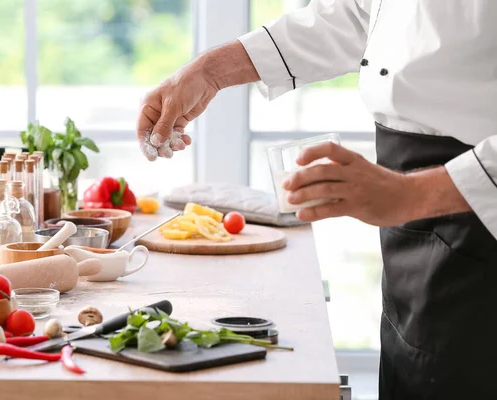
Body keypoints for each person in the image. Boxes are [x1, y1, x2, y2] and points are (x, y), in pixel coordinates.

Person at [135, 1, 497, 399]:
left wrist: (412, 194)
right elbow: (362, 14)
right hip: (411, 208)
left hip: (477, 210)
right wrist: (210, 71)